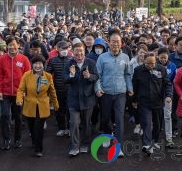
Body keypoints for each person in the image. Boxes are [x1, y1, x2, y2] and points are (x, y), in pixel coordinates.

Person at [95, 29, 133, 157]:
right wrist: (98, 88)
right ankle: (107, 133)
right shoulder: (102, 57)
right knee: (105, 118)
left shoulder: (125, 57)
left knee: (119, 120)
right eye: (112, 41)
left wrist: (130, 87)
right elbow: (97, 75)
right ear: (108, 43)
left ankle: (118, 146)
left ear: (121, 43)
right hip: (106, 93)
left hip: (121, 94)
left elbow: (128, 75)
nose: (115, 44)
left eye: (117, 41)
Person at [16, 55, 59, 157]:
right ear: (32, 64)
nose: (37, 66)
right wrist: (19, 99)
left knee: (38, 128)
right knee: (31, 127)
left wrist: (56, 104)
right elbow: (21, 89)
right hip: (29, 105)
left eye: (40, 63)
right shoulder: (27, 75)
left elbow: (52, 92)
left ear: (43, 65)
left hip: (43, 106)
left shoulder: (48, 76)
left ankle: (39, 149)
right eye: (35, 63)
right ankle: (34, 141)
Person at [63, 42, 99, 156]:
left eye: (81, 51)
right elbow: (65, 79)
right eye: (76, 51)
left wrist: (89, 76)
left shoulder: (91, 63)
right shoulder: (69, 63)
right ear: (72, 52)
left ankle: (85, 143)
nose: (79, 53)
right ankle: (74, 146)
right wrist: (72, 75)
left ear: (84, 51)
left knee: (86, 123)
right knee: (74, 123)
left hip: (88, 99)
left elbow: (96, 77)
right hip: (73, 99)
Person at [133, 52, 172, 154]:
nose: (151, 66)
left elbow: (167, 84)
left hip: (158, 101)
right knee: (146, 122)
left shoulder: (161, 69)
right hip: (144, 102)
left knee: (158, 125)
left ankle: (154, 141)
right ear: (144, 62)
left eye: (153, 63)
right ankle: (147, 144)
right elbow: (135, 86)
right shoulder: (138, 70)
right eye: (148, 64)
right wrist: (134, 100)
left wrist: (168, 95)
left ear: (156, 61)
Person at [0, 36, 31, 150]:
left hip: (19, 93)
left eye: (14, 44)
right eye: (10, 45)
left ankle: (17, 139)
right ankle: (6, 139)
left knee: (18, 117)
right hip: (5, 93)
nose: (12, 47)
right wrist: (0, 90)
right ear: (7, 46)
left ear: (18, 45)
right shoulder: (1, 59)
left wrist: (25, 91)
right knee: (5, 115)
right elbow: (0, 76)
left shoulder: (24, 59)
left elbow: (28, 77)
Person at [46, 40, 71, 137]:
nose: (65, 50)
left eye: (66, 48)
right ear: (58, 49)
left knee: (70, 110)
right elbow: (48, 74)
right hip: (58, 89)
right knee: (59, 109)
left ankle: (69, 128)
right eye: (62, 48)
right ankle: (61, 128)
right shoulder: (53, 60)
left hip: (70, 89)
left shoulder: (71, 59)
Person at [157, 47, 177, 147]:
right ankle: (154, 138)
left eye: (165, 57)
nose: (163, 60)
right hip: (156, 95)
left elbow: (173, 81)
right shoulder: (154, 65)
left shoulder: (172, 66)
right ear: (158, 56)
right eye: (161, 58)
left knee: (168, 116)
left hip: (168, 94)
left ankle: (169, 138)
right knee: (156, 116)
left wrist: (170, 94)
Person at [129, 44, 148, 135]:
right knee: (135, 107)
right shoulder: (132, 62)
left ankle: (144, 126)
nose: (142, 54)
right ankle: (137, 125)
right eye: (141, 52)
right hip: (134, 87)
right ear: (138, 52)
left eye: (144, 53)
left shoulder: (148, 62)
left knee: (144, 108)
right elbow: (128, 74)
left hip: (145, 88)